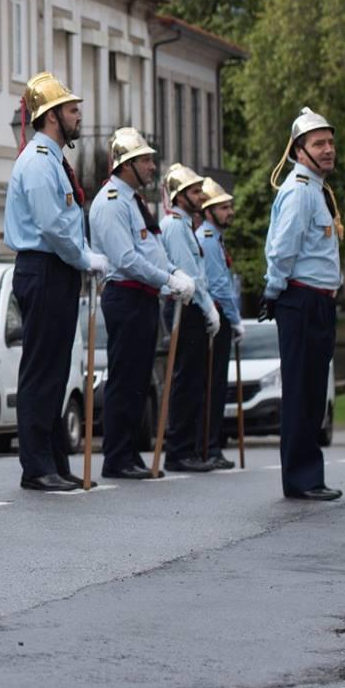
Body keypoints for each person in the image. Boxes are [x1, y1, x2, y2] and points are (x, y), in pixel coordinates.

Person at [2, 73, 109, 492]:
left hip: (57, 269)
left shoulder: (53, 161)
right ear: (51, 116)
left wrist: (81, 258)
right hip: (44, 268)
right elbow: (52, 225)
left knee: (56, 371)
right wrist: (84, 257)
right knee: (42, 370)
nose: (78, 116)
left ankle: (54, 459)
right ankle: (36, 465)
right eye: (71, 110)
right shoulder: (38, 162)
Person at [87, 129, 197, 479]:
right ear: (127, 164)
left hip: (144, 297)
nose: (152, 166)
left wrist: (173, 271)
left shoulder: (133, 201)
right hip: (126, 295)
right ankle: (117, 457)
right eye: (146, 160)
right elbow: (126, 259)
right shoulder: (111, 202)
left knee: (138, 380)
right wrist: (167, 280)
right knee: (125, 378)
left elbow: (152, 250)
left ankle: (130, 453)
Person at [260, 106, 344, 502]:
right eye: (318, 143)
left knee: (313, 392)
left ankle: (309, 474)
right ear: (299, 150)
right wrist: (272, 290)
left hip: (318, 301)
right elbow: (282, 249)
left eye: (330, 142)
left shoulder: (315, 190)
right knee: (301, 391)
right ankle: (300, 478)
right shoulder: (298, 191)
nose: (328, 149)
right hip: (301, 299)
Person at [159, 164, 223, 473]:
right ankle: (179, 450)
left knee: (194, 380)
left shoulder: (184, 225)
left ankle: (189, 448)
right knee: (186, 380)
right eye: (195, 192)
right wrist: (208, 306)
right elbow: (190, 274)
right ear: (179, 196)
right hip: (184, 306)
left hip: (191, 305)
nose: (201, 197)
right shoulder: (174, 226)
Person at [195, 177, 242, 470]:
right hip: (216, 316)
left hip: (219, 314)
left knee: (216, 385)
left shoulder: (215, 238)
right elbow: (220, 287)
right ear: (209, 212)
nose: (229, 212)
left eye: (229, 207)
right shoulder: (209, 240)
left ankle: (210, 445)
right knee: (213, 385)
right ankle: (209, 446)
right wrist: (236, 320)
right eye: (223, 207)